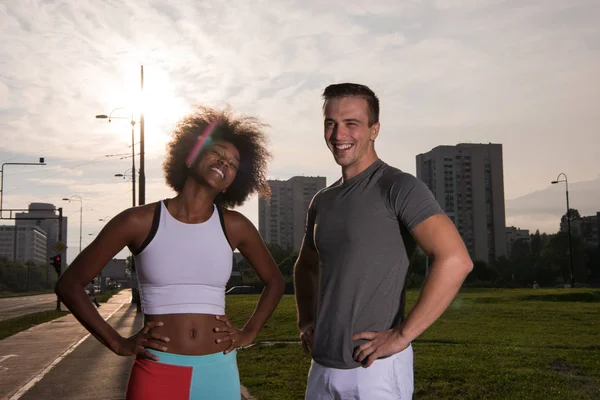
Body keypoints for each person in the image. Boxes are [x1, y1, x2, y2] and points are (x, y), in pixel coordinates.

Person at [56, 106, 285, 400]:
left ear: (233, 181)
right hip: (157, 371)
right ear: (191, 156)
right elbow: (69, 284)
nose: (224, 163)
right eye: (216, 153)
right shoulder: (137, 221)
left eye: (233, 163)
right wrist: (117, 343)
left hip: (218, 370)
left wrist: (249, 332)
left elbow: (275, 282)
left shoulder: (235, 226)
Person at [294, 83, 474, 399]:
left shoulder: (399, 187)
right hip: (321, 369)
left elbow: (455, 259)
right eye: (330, 123)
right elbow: (305, 266)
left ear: (374, 129)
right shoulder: (322, 201)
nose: (339, 135)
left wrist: (403, 335)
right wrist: (306, 320)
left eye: (352, 123)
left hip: (376, 371)